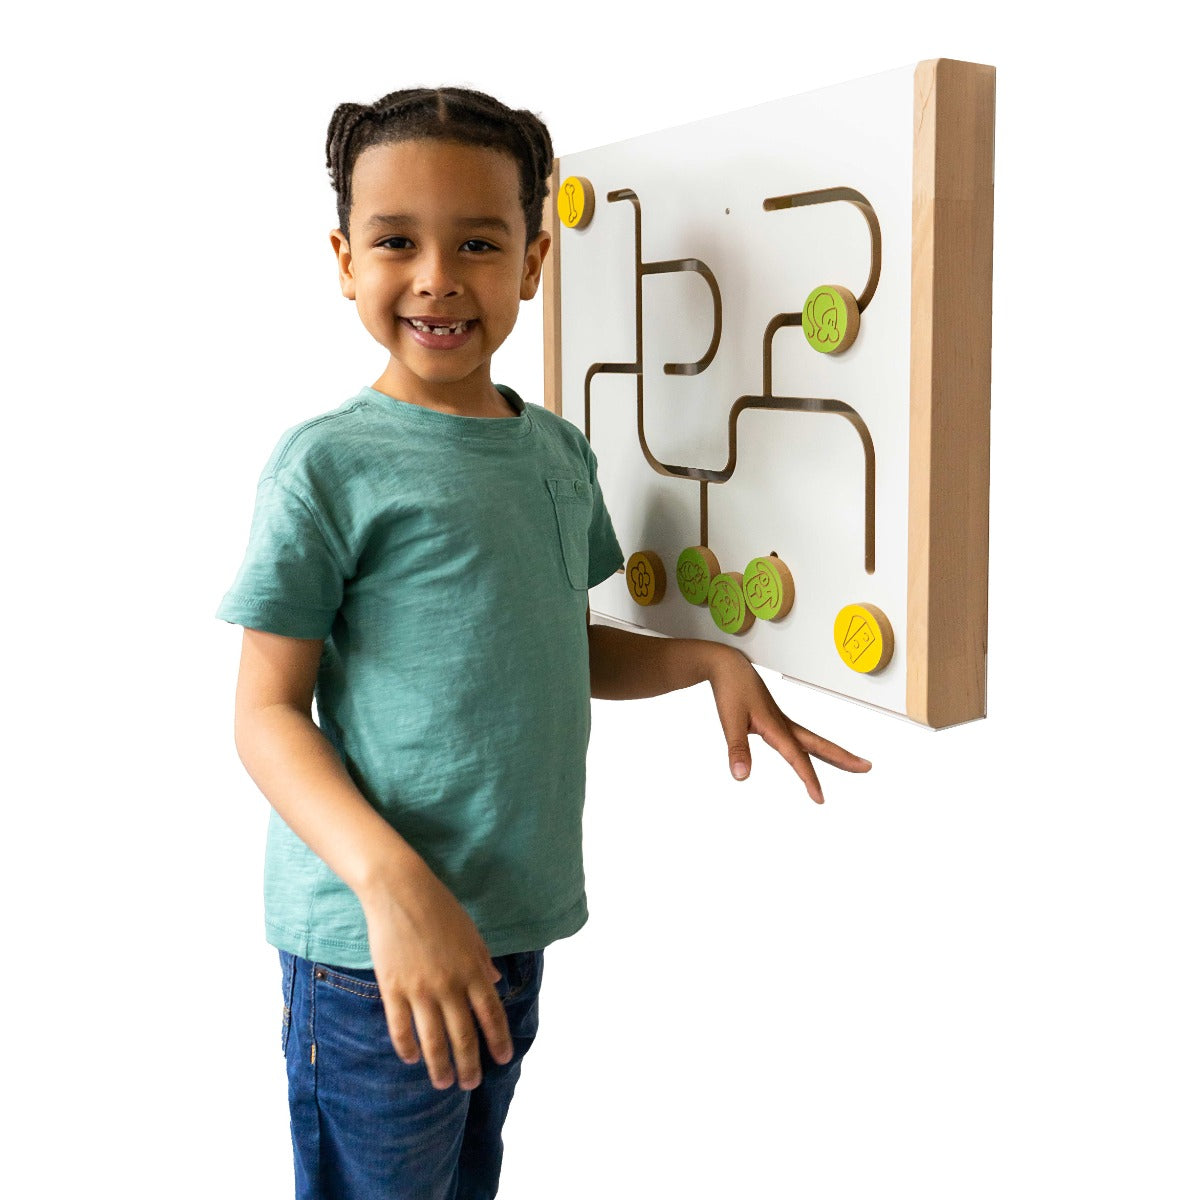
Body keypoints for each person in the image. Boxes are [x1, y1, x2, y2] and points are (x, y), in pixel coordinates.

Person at [218, 86, 871, 1200]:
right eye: (396, 242)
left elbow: (558, 647)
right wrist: (394, 887)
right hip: (372, 948)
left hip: (509, 926)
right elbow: (264, 712)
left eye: (477, 243)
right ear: (344, 260)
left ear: (531, 262)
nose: (437, 277)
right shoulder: (327, 463)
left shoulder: (558, 454)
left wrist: (707, 661)